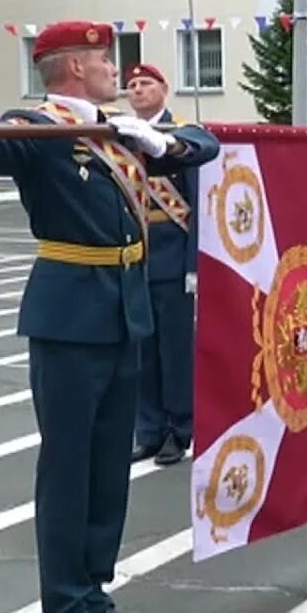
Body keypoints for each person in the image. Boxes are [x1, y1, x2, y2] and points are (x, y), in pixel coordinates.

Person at [0, 21, 197, 613]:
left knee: (108, 472)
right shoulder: (40, 130)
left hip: (126, 313)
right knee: (69, 468)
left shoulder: (119, 132)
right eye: (105, 59)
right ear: (75, 67)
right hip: (71, 319)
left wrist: (161, 146)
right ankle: (66, 607)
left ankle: (94, 589)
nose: (115, 71)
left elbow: (201, 145)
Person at [122, 63, 220, 465]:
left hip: (172, 255)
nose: (138, 90)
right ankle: (148, 430)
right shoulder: (124, 136)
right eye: (131, 85)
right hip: (136, 256)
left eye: (146, 83)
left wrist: (193, 263)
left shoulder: (181, 135)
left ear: (164, 88)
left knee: (175, 351)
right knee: (142, 350)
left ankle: (179, 431)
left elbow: (198, 202)